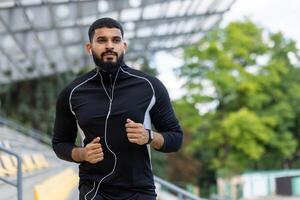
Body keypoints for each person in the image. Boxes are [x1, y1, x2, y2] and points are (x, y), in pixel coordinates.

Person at [52, 17, 183, 200]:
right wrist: (82, 154)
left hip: (139, 191)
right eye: (101, 40)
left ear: (124, 46)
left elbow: (176, 138)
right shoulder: (72, 93)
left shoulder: (150, 86)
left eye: (115, 40)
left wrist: (149, 136)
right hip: (94, 191)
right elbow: (59, 144)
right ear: (89, 48)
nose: (109, 46)